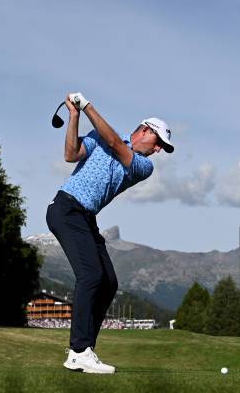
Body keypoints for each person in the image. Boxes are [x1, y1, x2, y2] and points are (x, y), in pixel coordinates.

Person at [46, 92, 174, 373]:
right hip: (66, 208)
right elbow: (70, 154)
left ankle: (83, 350)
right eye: (159, 143)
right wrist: (75, 116)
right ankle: (78, 350)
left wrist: (87, 104)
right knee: (91, 275)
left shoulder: (143, 166)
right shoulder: (100, 137)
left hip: (85, 217)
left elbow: (116, 143)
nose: (158, 151)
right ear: (145, 131)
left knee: (109, 282)